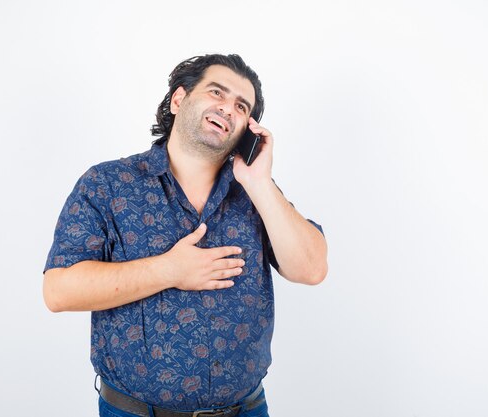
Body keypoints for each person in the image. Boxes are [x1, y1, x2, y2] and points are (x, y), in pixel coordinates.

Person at [43, 53, 328, 417]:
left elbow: (312, 268)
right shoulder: (107, 184)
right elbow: (58, 291)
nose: (228, 109)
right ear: (179, 100)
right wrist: (169, 270)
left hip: (246, 409)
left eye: (242, 107)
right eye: (217, 93)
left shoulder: (257, 193)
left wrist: (260, 183)